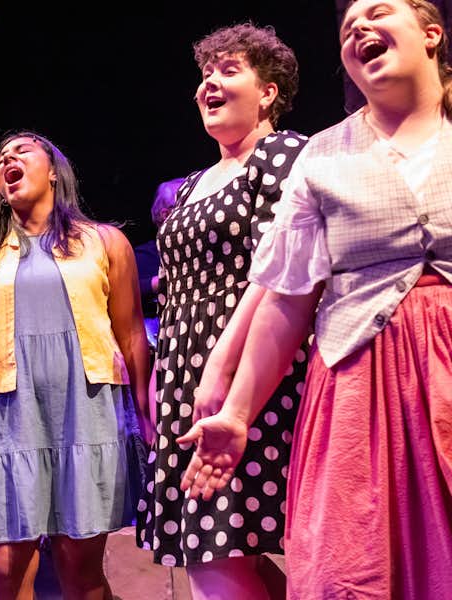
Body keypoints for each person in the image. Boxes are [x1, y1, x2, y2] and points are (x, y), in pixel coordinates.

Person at [179, 2, 452, 598]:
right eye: (347, 27)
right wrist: (238, 409)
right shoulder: (324, 155)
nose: (357, 28)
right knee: (352, 564)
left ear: (432, 33)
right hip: (360, 382)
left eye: (377, 12)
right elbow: (287, 296)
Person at [136, 23, 309, 600]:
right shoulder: (189, 187)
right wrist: (166, 376)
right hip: (187, 371)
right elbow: (174, 291)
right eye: (205, 74)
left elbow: (276, 271)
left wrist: (221, 368)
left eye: (228, 70)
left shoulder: (284, 155)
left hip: (251, 370)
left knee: (220, 552)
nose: (209, 83)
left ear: (268, 92)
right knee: (215, 553)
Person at [0, 131, 151, 600]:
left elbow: (132, 333)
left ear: (54, 170)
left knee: (81, 572)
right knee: (5, 571)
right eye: (0, 158)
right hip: (14, 419)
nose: (7, 160)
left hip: (86, 412)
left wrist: (146, 412)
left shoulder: (105, 242)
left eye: (22, 151)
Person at [133, 177, 186, 344]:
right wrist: (157, 283)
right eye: (187, 206)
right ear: (166, 214)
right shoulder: (141, 256)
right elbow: (123, 291)